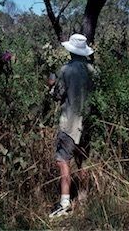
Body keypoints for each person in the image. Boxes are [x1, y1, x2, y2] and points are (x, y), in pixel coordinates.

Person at [48, 34, 95, 219]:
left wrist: (51, 86)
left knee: (63, 161)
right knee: (83, 160)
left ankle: (65, 203)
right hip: (88, 122)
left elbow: (58, 94)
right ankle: (83, 196)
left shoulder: (66, 70)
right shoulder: (93, 71)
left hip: (69, 122)